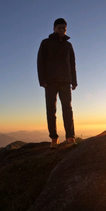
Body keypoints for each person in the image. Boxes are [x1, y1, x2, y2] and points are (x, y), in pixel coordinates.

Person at [37, 18, 77, 148]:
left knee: (67, 109)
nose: (62, 31)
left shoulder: (68, 45)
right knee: (51, 110)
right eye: (60, 28)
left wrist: (74, 81)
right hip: (50, 82)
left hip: (65, 81)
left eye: (64, 29)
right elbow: (40, 62)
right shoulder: (46, 43)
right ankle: (54, 138)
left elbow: (72, 64)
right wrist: (43, 81)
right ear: (54, 28)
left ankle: (70, 137)